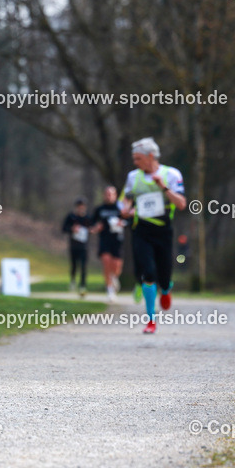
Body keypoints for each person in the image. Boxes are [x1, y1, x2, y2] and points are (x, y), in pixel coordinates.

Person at [118, 137, 186, 334]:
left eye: (138, 159)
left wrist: (163, 187)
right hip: (141, 231)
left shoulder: (171, 174)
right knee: (148, 273)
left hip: (164, 231)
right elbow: (126, 200)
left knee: (164, 276)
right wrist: (126, 210)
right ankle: (151, 320)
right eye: (134, 159)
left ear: (150, 156)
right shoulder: (133, 177)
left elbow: (181, 204)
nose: (135, 163)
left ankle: (166, 289)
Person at [91, 185, 125, 300]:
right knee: (106, 262)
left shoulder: (120, 208)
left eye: (111, 194)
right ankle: (109, 290)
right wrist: (96, 227)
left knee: (116, 266)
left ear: (115, 195)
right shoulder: (99, 209)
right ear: (104, 195)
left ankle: (114, 277)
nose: (109, 196)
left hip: (117, 239)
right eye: (107, 194)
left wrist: (122, 223)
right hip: (104, 239)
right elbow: (92, 224)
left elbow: (129, 220)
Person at [62, 198, 92, 297]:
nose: (81, 209)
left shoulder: (87, 218)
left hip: (84, 246)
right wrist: (72, 229)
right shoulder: (71, 217)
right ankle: (73, 280)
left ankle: (83, 285)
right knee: (74, 265)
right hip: (74, 246)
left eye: (82, 208)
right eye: (79, 208)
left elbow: (92, 228)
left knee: (83, 266)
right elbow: (64, 228)